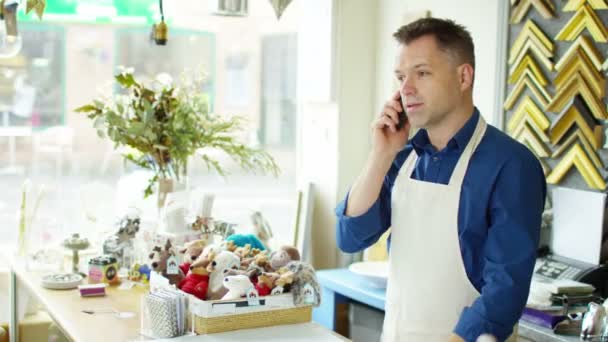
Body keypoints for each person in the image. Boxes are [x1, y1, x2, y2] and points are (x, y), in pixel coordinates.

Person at [335, 17, 546, 342]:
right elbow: (350, 237)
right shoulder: (401, 157)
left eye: (422, 73)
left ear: (464, 76)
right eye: (401, 77)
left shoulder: (512, 165)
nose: (406, 89)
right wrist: (379, 156)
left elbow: (505, 289)